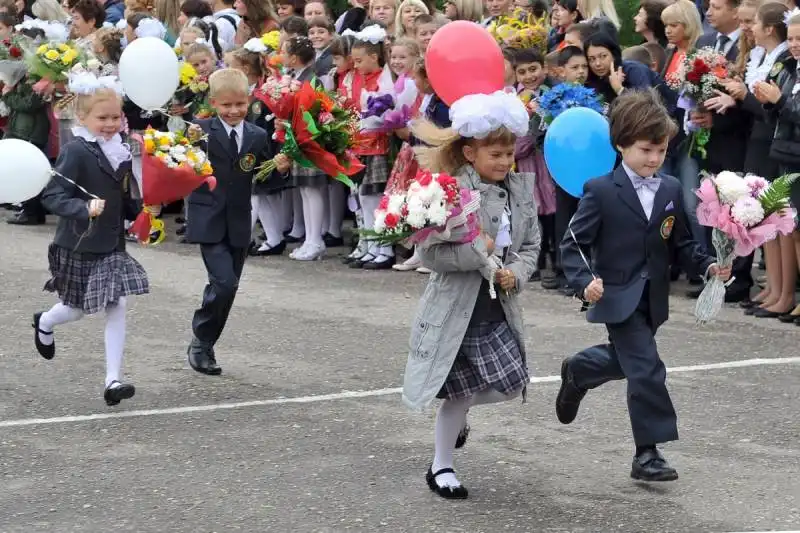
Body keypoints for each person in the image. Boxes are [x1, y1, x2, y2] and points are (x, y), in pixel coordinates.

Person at [556, 89, 731, 481]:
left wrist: (708, 267)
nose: (654, 159)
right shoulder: (600, 190)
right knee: (647, 368)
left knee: (631, 361)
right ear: (620, 145)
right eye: (645, 150)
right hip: (616, 295)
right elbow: (573, 243)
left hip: (653, 298)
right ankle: (647, 453)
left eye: (661, 150)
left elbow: (682, 242)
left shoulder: (668, 188)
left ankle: (580, 370)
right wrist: (585, 282)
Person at [402, 89, 539, 499]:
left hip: (498, 307)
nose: (504, 161)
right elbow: (429, 252)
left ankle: (458, 415)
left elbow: (530, 245)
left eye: (509, 152)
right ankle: (441, 465)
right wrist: (479, 254)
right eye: (494, 153)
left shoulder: (520, 189)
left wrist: (516, 270)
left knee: (513, 384)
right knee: (457, 393)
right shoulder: (447, 191)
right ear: (469, 153)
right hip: (456, 309)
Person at [34, 73, 147, 406]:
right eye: (103, 118)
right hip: (79, 244)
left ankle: (113, 379)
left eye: (116, 117)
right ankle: (45, 320)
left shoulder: (123, 151)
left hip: (112, 245)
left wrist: (143, 204)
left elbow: (124, 197)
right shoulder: (76, 151)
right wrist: (83, 207)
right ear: (82, 118)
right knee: (76, 309)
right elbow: (52, 195)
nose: (110, 123)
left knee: (117, 304)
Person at [185, 69, 288, 375]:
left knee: (228, 288)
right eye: (226, 105)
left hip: (240, 223)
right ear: (214, 103)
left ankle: (206, 342)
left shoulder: (257, 136)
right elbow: (179, 168)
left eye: (240, 104)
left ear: (249, 101)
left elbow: (263, 181)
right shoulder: (199, 131)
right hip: (208, 220)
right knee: (224, 282)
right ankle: (201, 342)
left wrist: (280, 168)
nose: (233, 111)